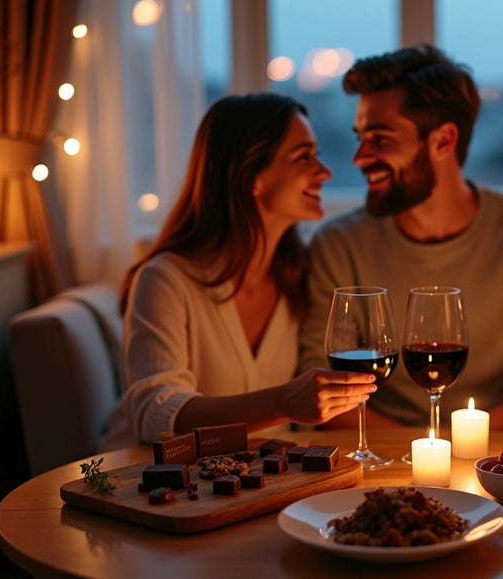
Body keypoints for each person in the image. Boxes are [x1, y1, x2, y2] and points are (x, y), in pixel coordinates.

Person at [298, 44, 503, 435]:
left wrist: (459, 444)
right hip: (380, 450)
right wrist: (414, 451)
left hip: (499, 447)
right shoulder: (338, 244)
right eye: (360, 137)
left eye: (380, 138)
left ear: (443, 140)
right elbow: (318, 377)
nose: (359, 157)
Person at [99, 94, 377, 450]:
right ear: (251, 177)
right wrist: (281, 403)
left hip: (263, 484)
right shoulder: (166, 280)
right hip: (152, 484)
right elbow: (156, 417)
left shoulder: (303, 274)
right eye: (302, 157)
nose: (324, 172)